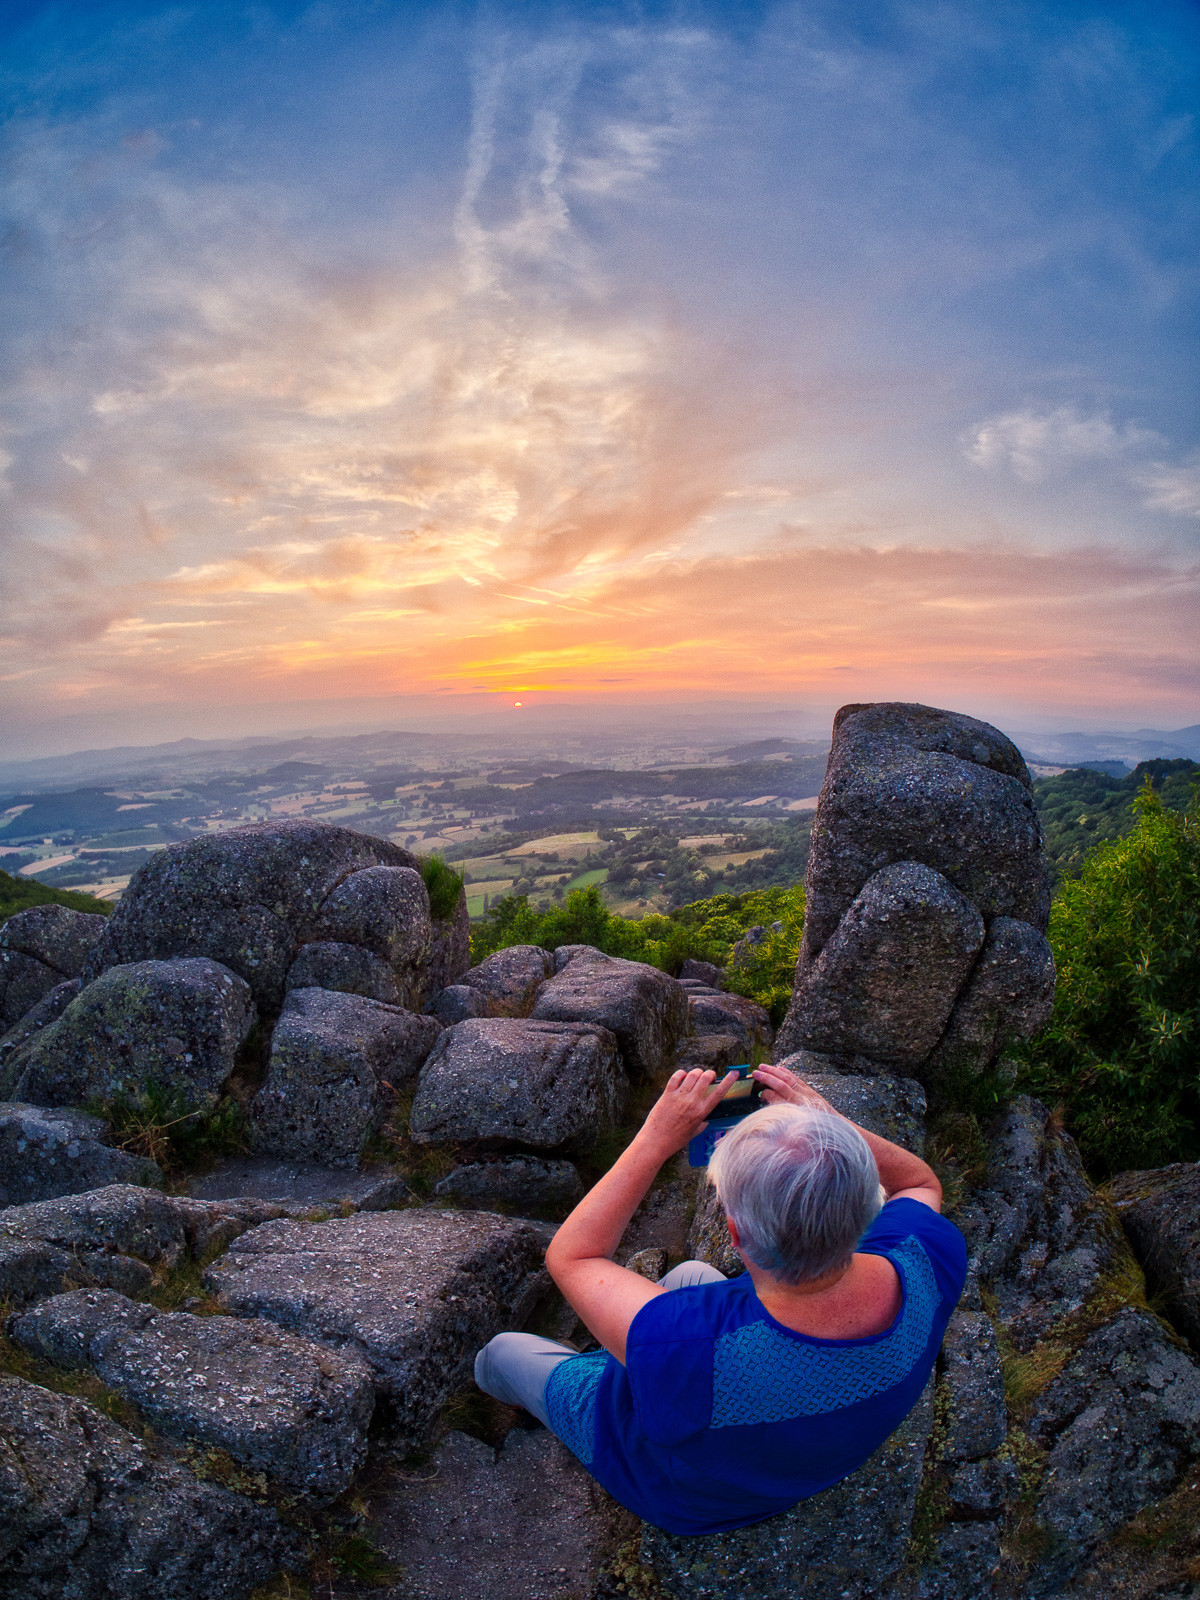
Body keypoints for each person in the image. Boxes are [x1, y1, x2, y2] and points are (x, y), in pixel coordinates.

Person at [474, 1060, 967, 1536]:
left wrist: (654, 1139)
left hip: (688, 1493)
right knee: (690, 1275)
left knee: (502, 1352)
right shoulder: (924, 1253)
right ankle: (624, 1359)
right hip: (800, 1452)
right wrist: (829, 1123)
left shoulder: (689, 1345)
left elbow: (572, 1258)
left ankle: (531, 1394)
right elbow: (919, 1181)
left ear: (735, 1231)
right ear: (867, 1210)